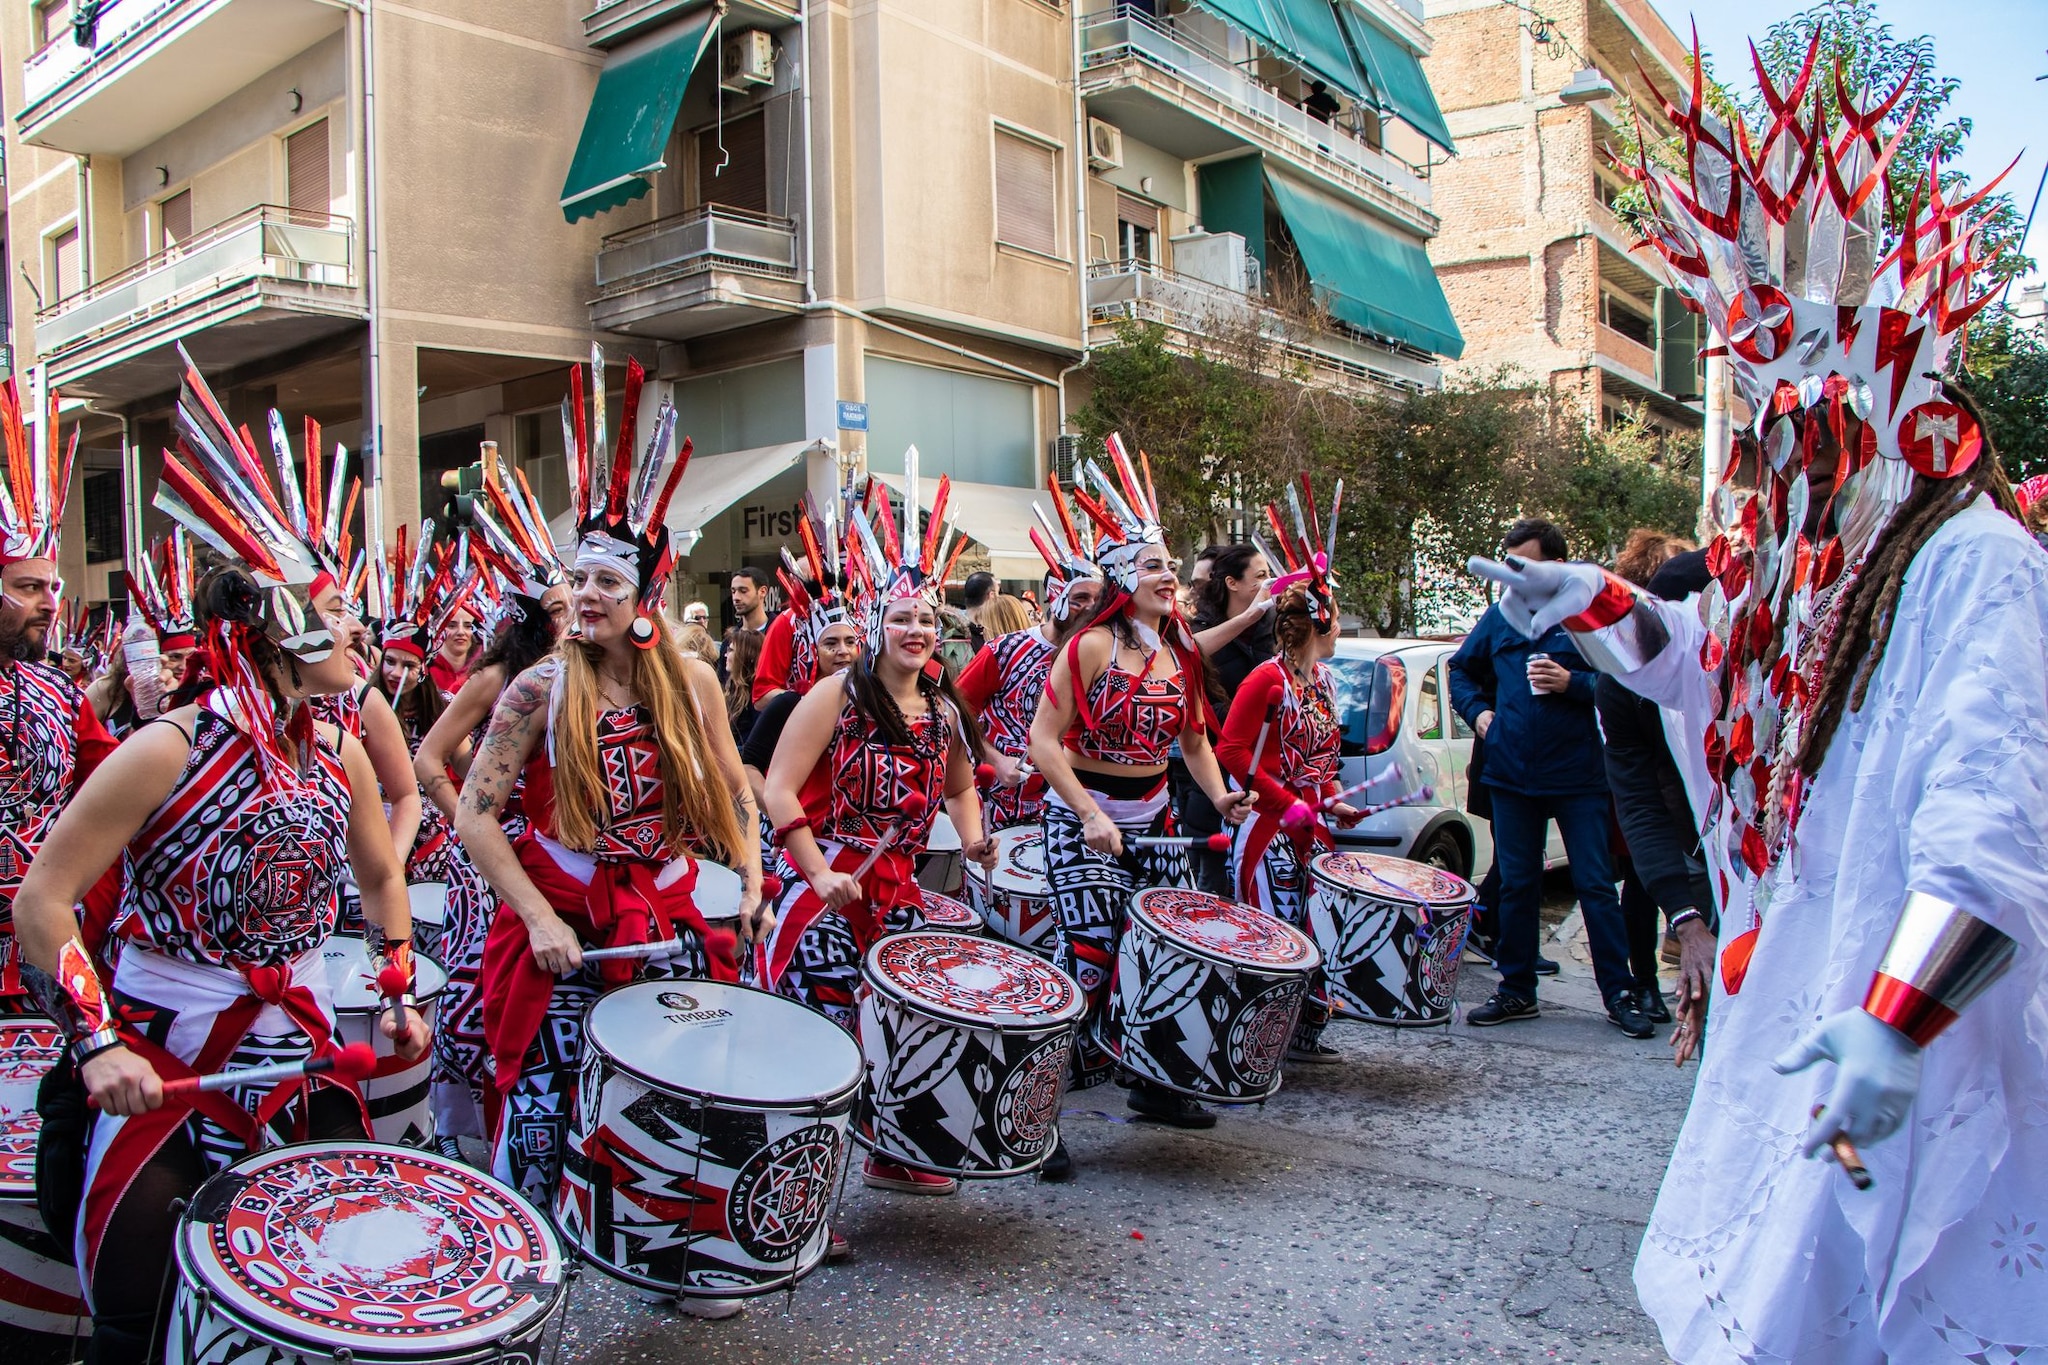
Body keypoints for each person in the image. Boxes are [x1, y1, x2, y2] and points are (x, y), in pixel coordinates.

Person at [1475, 63, 2048, 1360]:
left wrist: (1903, 1023)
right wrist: (1587, 599)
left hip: (1906, 1035)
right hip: (1796, 1006)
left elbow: (1992, 824)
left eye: (1798, 405)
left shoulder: (1976, 562)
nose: (1768, 438)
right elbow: (1705, 665)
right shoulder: (1817, 566)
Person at [13, 360, 425, 1365]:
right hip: (162, 1046)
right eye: (335, 616)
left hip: (297, 1040)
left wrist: (399, 980)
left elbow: (378, 879)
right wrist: (97, 1040)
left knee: (327, 1287)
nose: (359, 632)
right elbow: (46, 900)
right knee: (139, 1310)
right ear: (278, 633)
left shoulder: (336, 752)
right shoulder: (170, 749)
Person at [459, 356, 763, 1231]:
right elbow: (478, 814)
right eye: (579, 579)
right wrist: (538, 918)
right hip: (564, 917)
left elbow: (730, 789)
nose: (586, 596)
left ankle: (669, 1250)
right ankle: (521, 1269)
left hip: (660, 917)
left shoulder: (693, 684)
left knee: (671, 1101)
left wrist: (746, 876)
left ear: (643, 597)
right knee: (547, 1109)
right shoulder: (536, 689)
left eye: (607, 583)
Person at [759, 461, 996, 1198]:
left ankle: (890, 1152)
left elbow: (960, 788)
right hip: (822, 889)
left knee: (898, 1026)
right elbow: (777, 787)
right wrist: (815, 870)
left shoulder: (944, 710)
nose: (917, 630)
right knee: (824, 1037)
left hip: (893, 895)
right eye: (902, 617)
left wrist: (976, 834)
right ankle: (797, 1201)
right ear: (875, 625)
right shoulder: (835, 693)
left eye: (927, 617)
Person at [1029, 441, 1251, 1158]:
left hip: (1153, 821)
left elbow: (1192, 742)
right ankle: (1037, 1109)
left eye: (1170, 565)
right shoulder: (1090, 646)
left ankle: (1154, 1080)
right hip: (1081, 818)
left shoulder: (1178, 651)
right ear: (1125, 573)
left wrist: (1220, 798)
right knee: (1090, 958)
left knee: (1166, 951)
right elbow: (1042, 741)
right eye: (1156, 565)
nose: (1171, 577)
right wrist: (1089, 813)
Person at [416, 455, 570, 1160]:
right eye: (561, 608)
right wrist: (468, 817)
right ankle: (473, 1134)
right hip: (493, 858)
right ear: (535, 618)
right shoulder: (495, 678)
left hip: (556, 852)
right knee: (484, 989)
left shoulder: (590, 676)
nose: (575, 616)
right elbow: (429, 757)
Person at [1449, 518, 1647, 1038]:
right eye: (1510, 565)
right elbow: (1461, 670)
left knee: (1595, 885)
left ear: (1557, 564)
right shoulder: (1499, 618)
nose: (1516, 576)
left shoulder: (1589, 616)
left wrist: (1575, 683)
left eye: (1526, 565)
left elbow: (1628, 678)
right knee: (1516, 884)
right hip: (1512, 774)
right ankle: (1516, 989)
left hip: (1579, 775)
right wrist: (1479, 714)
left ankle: (1619, 994)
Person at [1215, 486, 1361, 1066]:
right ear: (1318, 624)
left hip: (1310, 824)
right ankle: (1257, 1039)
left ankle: (1304, 1031)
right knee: (1274, 929)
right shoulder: (1265, 680)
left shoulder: (1321, 683)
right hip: (1268, 827)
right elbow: (1229, 749)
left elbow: (1322, 760)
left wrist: (1332, 799)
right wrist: (1284, 800)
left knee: (1313, 921)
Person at [0, 379, 119, 1012]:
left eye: (53, 585)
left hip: (52, 951)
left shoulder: (55, 690)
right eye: (29, 586)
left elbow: (108, 800)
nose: (50, 603)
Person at [957, 481, 1102, 833]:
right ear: (1056, 598)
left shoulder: (1103, 657)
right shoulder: (1004, 650)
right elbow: (955, 711)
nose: (1089, 609)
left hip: (1073, 807)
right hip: (1001, 805)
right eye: (1080, 598)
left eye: (1097, 600)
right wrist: (994, 759)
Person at [1180, 544, 1274, 897]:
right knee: (1212, 889)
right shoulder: (1200, 634)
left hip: (1265, 779)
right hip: (1214, 777)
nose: (1268, 585)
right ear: (1233, 583)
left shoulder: (1272, 630)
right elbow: (1196, 706)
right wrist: (1246, 718)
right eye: (1260, 577)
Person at [427, 606, 479, 697]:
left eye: (467, 626)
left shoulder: (481, 671)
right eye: (451, 626)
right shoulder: (427, 672)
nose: (461, 632)